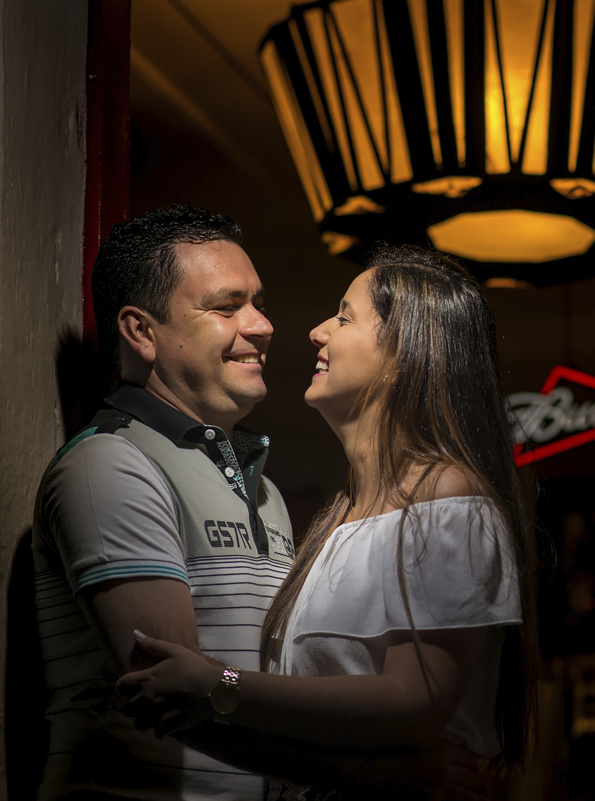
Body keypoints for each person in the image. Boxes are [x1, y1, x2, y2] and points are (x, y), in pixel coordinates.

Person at [116, 245, 539, 800]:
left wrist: (216, 684)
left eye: (344, 316)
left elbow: (413, 705)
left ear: (405, 352)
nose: (317, 332)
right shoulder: (338, 516)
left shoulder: (448, 498)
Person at [31, 205, 294, 799]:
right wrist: (362, 769)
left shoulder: (265, 489)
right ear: (142, 332)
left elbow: (236, 681)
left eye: (256, 301)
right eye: (227, 307)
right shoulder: (111, 464)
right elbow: (181, 695)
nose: (261, 324)